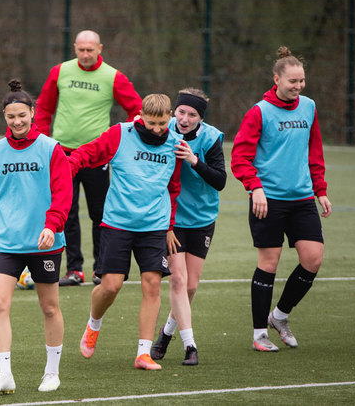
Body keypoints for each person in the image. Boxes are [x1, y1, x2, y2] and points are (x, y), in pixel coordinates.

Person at [0, 80, 72, 395]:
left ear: (32, 113)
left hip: (44, 242)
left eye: (22, 115)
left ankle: (51, 372)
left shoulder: (50, 148)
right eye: (11, 117)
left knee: (50, 308)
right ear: (4, 117)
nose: (17, 122)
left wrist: (52, 225)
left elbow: (63, 193)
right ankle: (4, 375)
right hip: (7, 243)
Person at [231, 46, 332, 352]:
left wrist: (320, 189)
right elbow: (240, 158)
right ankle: (259, 334)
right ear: (276, 79)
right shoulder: (259, 112)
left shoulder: (309, 107)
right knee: (269, 263)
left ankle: (279, 316)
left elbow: (314, 151)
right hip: (268, 200)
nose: (298, 86)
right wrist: (255, 187)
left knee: (313, 259)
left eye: (302, 80)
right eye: (293, 81)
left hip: (302, 198)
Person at [73, 93, 182, 370]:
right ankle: (93, 324)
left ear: (169, 117)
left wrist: (169, 225)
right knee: (111, 286)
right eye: (151, 123)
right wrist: (66, 167)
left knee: (153, 284)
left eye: (162, 123)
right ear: (141, 116)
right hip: (118, 223)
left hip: (154, 226)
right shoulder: (120, 134)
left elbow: (173, 188)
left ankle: (143, 353)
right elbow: (87, 153)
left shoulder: (176, 145)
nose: (156, 129)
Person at [35, 30, 142, 286]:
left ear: (100, 49)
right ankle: (74, 270)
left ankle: (100, 269)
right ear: (74, 48)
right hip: (63, 155)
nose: (85, 54)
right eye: (81, 49)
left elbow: (136, 110)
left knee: (100, 213)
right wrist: (42, 142)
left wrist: (121, 139)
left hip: (96, 157)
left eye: (90, 50)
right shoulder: (60, 72)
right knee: (66, 212)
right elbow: (44, 108)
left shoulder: (113, 76)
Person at [150, 88, 226, 366]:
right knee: (178, 281)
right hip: (171, 220)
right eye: (181, 112)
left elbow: (220, 181)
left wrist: (194, 160)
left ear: (200, 118)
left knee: (190, 286)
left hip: (202, 219)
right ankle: (190, 345)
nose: (184, 119)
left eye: (192, 115)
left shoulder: (211, 138)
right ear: (174, 112)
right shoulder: (163, 129)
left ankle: (166, 334)